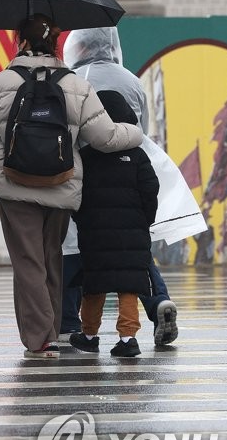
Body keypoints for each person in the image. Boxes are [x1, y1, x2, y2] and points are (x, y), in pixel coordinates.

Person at [0, 15, 142, 359]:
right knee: (51, 258)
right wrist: (135, 132)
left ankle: (41, 337)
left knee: (28, 261)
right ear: (56, 44)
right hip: (61, 182)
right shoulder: (76, 85)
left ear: (21, 42)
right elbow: (105, 137)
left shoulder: (0, 81)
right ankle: (50, 330)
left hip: (14, 181)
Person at [60, 27, 180, 347]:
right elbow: (143, 134)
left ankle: (77, 326)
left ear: (80, 47)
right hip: (127, 192)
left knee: (84, 263)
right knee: (133, 260)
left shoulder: (74, 81)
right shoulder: (132, 81)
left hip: (89, 184)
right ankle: (148, 313)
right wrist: (145, 215)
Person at [68, 91, 160, 357]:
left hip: (95, 235)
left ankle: (88, 335)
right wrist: (145, 220)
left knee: (93, 285)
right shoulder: (138, 155)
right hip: (133, 235)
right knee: (129, 286)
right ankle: (128, 338)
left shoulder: (87, 156)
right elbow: (150, 189)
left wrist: (82, 220)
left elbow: (77, 193)